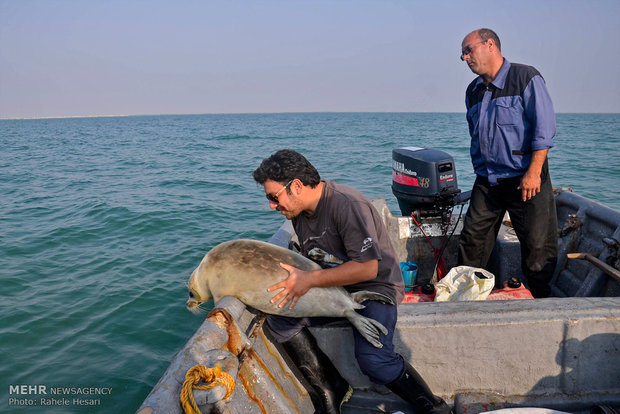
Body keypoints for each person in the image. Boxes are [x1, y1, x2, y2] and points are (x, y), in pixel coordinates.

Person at [253, 149, 452, 414]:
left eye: (273, 197)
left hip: (374, 289)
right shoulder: (299, 214)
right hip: (334, 288)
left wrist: (310, 279)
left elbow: (368, 268)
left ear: (297, 186)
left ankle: (433, 406)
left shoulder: (346, 205)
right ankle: (331, 387)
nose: (271, 205)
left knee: (374, 361)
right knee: (278, 318)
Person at [458, 28, 558, 298]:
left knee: (538, 252)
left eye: (469, 50)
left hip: (526, 180)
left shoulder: (526, 77)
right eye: (463, 53)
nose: (465, 57)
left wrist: (534, 172)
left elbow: (544, 129)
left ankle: (542, 305)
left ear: (490, 45)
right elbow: (476, 134)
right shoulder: (474, 91)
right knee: (471, 243)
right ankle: (466, 303)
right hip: (488, 182)